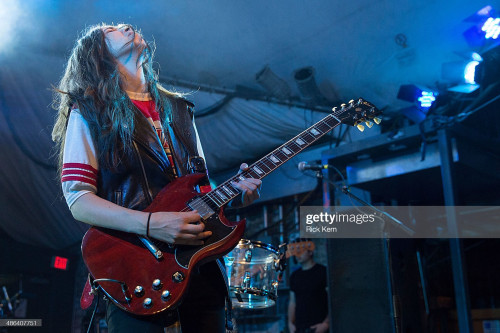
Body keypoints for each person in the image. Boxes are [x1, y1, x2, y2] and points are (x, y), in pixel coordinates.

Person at [52, 23, 261, 333]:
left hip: (198, 260)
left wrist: (236, 192)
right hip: (134, 265)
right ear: (97, 55)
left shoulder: (180, 110)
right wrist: (151, 225)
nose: (124, 25)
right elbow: (79, 200)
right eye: (110, 29)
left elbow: (198, 186)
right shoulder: (89, 111)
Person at [288, 240, 329, 333]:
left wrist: (326, 323)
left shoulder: (323, 272)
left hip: (318, 325)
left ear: (310, 251)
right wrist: (290, 323)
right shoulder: (294, 276)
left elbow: (333, 299)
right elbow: (292, 302)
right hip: (300, 327)